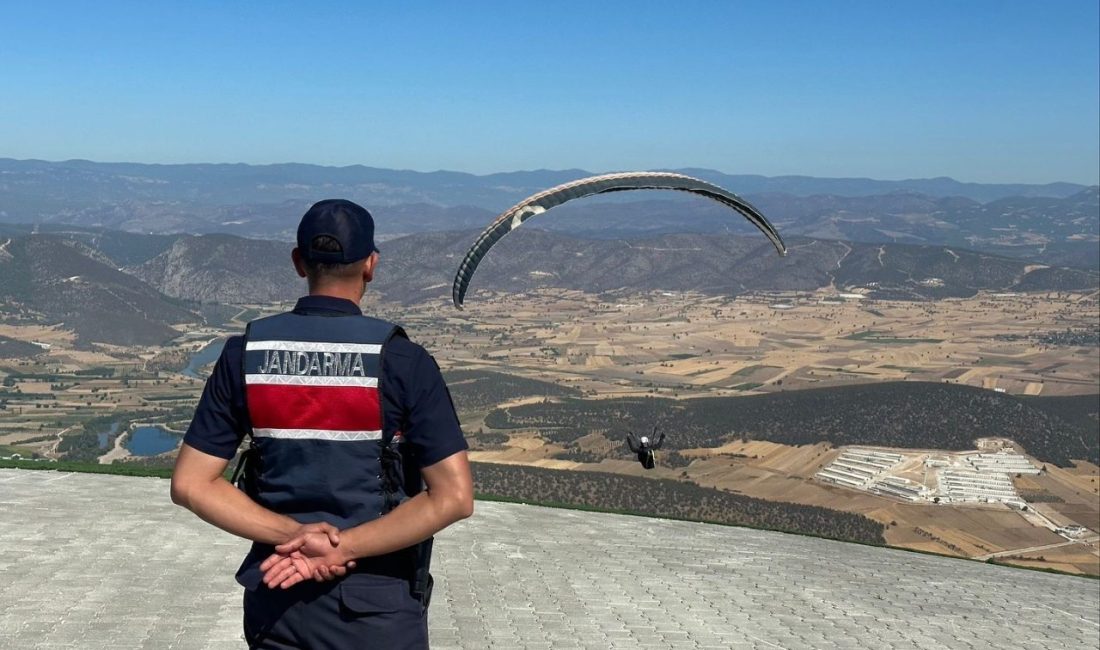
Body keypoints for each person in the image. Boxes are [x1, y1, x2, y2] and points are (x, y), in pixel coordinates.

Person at [170, 198, 473, 649]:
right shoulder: (403, 360)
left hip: (278, 600)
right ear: (371, 265)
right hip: (376, 609)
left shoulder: (244, 354)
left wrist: (293, 535)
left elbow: (191, 485)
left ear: (298, 262)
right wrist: (341, 547)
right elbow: (454, 498)